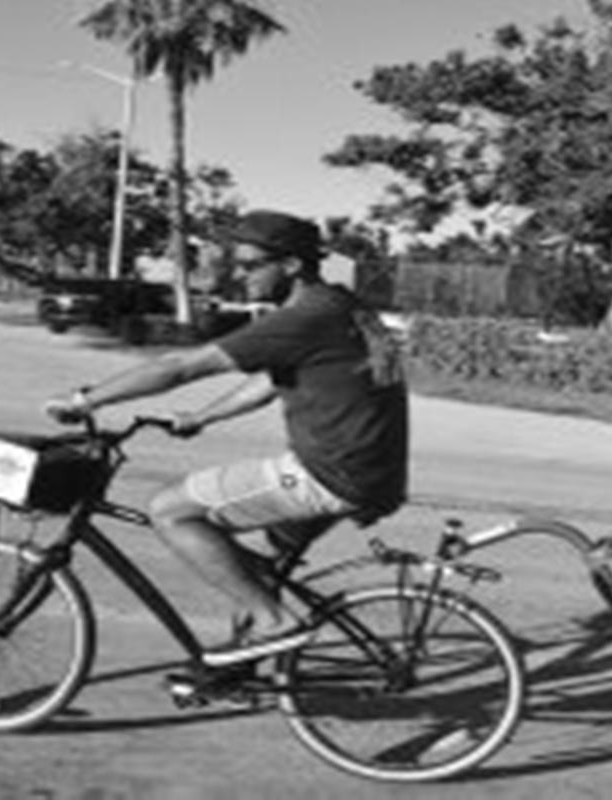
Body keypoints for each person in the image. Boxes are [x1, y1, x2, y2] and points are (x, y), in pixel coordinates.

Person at [45, 209, 409, 668]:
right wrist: (202, 418)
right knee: (256, 565)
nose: (240, 275)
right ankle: (239, 668)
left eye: (252, 265)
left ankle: (274, 622)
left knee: (171, 510)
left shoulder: (303, 317)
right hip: (373, 472)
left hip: (328, 473)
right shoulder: (342, 305)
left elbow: (180, 366)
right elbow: (271, 381)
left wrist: (86, 399)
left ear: (293, 265)